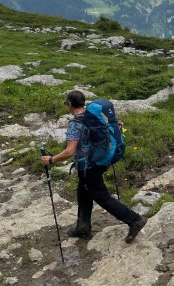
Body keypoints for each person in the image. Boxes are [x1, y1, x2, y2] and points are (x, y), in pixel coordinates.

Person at [40, 90, 146, 243]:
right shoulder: (94, 118)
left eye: (66, 104)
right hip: (99, 161)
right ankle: (83, 227)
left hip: (88, 166)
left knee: (102, 197)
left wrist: (51, 160)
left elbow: (70, 151)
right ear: (83, 102)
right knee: (83, 191)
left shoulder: (76, 124)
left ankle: (134, 220)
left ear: (69, 104)